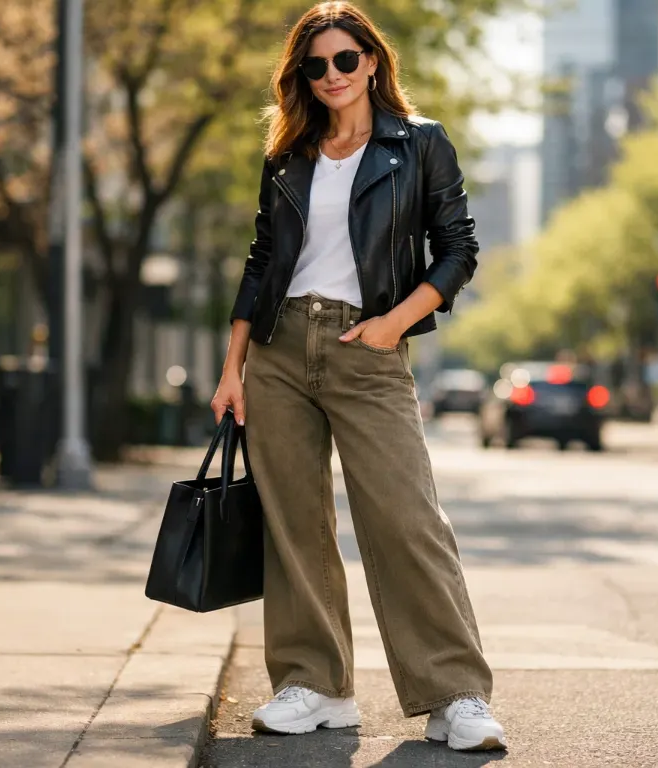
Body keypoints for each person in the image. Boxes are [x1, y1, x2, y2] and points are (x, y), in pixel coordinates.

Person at [210, 1, 506, 753]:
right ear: (301, 77)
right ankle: (316, 686)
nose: (333, 75)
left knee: (406, 519)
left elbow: (458, 249)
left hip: (368, 346)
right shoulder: (289, 154)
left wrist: (395, 323)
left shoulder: (419, 144)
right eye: (316, 66)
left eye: (346, 59)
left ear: (373, 61)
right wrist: (233, 367)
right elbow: (259, 261)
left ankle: (455, 694)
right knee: (294, 524)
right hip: (278, 351)